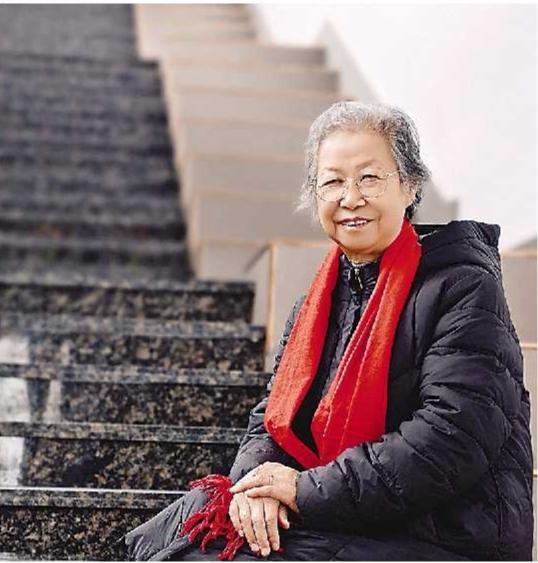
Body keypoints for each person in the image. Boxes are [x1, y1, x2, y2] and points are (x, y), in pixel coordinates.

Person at [123, 101, 533, 561]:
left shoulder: (462, 286)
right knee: (186, 523)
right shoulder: (316, 303)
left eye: (369, 178)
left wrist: (302, 490)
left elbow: (451, 436)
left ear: (410, 185)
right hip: (342, 509)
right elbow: (270, 419)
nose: (350, 198)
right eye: (333, 181)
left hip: (443, 532)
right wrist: (257, 488)